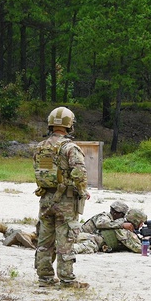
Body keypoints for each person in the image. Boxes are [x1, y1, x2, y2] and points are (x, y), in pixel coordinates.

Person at [33, 107, 89, 288]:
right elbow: (79, 173)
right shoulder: (70, 148)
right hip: (66, 200)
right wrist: (82, 191)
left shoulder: (41, 147)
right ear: (69, 125)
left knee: (44, 239)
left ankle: (45, 278)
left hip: (45, 199)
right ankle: (67, 279)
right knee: (65, 239)